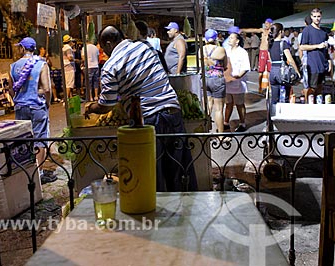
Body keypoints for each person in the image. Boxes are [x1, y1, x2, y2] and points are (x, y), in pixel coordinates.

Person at [84, 25, 197, 192]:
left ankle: (158, 214)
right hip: (173, 111)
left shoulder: (111, 65)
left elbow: (107, 104)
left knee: (153, 175)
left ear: (108, 43)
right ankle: (186, 212)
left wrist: (90, 107)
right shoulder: (145, 47)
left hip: (148, 121)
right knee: (179, 173)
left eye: (103, 47)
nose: (105, 53)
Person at [9, 37, 56, 184]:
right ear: (34, 49)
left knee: (24, 140)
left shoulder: (13, 66)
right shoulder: (42, 65)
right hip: (37, 106)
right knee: (40, 139)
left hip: (20, 107)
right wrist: (47, 103)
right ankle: (38, 174)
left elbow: (11, 90)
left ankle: (25, 173)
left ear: (22, 49)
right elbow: (47, 88)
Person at [299, 8, 331, 101]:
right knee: (311, 88)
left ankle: (319, 106)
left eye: (318, 16)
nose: (317, 18)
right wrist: (317, 46)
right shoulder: (307, 30)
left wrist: (328, 60)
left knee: (320, 87)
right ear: (311, 17)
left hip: (322, 64)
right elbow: (302, 47)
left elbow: (326, 49)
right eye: (315, 16)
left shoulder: (323, 32)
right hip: (312, 64)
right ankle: (309, 106)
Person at [223, 28, 250, 132]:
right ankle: (226, 122)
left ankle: (242, 123)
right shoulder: (226, 51)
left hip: (238, 82)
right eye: (229, 37)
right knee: (228, 102)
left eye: (232, 38)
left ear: (237, 41)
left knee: (239, 103)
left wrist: (238, 76)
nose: (229, 39)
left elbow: (246, 67)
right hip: (228, 82)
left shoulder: (242, 52)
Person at [203, 29, 228, 135]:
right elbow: (225, 65)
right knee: (218, 109)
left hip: (205, 79)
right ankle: (221, 135)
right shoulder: (221, 49)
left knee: (208, 106)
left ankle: (205, 130)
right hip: (217, 79)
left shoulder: (202, 49)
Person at [267, 23, 301, 104]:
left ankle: (273, 114)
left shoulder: (270, 44)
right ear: (280, 32)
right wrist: (297, 71)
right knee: (285, 96)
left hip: (273, 71)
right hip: (282, 71)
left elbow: (270, 59)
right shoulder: (283, 43)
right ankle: (283, 113)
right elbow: (290, 59)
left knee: (274, 99)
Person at [241, 18, 273, 94]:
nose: (266, 25)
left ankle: (270, 87)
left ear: (271, 24)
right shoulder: (263, 30)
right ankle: (260, 87)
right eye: (265, 23)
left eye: (267, 23)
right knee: (261, 71)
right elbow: (254, 30)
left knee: (269, 71)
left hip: (269, 51)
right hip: (262, 51)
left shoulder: (272, 32)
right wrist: (243, 30)